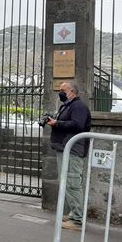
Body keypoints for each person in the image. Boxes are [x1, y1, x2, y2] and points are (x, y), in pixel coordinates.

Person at [47, 81, 91, 231]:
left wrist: (57, 123)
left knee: (72, 183)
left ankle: (77, 219)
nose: (61, 93)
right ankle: (72, 213)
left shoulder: (78, 106)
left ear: (72, 91)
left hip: (73, 149)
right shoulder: (67, 105)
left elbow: (77, 125)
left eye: (63, 90)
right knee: (66, 182)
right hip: (65, 147)